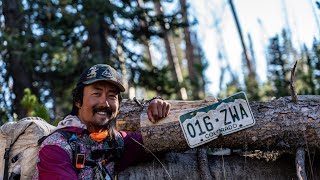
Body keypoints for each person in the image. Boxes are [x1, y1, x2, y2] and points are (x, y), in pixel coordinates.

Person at [33, 64, 171, 180]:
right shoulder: (56, 147)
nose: (104, 103)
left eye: (112, 96)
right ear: (78, 102)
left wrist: (155, 103)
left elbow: (160, 143)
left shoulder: (117, 141)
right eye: (96, 94)